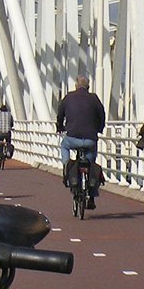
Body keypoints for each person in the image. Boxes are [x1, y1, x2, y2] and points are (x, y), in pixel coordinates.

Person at [55, 75, 107, 208]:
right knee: (91, 163)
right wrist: (99, 129)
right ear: (88, 87)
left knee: (64, 146)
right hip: (90, 139)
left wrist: (60, 127)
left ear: (76, 86)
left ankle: (66, 166)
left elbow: (60, 115)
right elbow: (102, 115)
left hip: (72, 138)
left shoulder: (68, 97)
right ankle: (92, 196)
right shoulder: (94, 98)